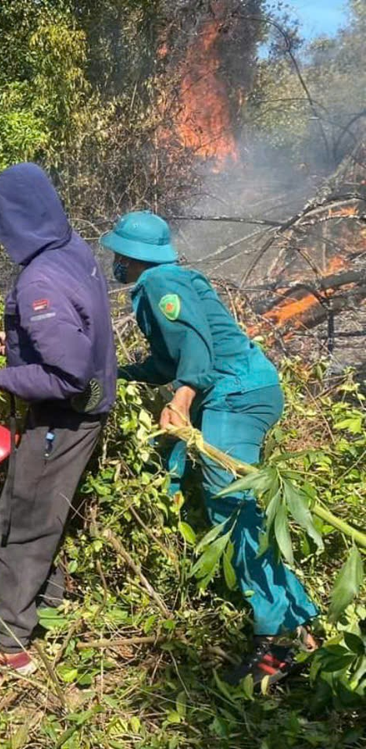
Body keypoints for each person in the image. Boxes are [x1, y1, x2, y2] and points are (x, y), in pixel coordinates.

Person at [101, 210, 318, 686]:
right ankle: (299, 626)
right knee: (239, 507)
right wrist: (111, 373)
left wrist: (182, 398)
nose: (115, 260)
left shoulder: (160, 281)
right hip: (246, 390)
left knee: (233, 510)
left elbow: (196, 345)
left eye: (119, 253)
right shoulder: (162, 284)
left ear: (133, 256)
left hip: (235, 395)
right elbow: (166, 363)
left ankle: (276, 640)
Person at [0, 163, 117, 690]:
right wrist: (24, 343)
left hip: (64, 419)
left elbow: (67, 374)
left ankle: (9, 649)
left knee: (20, 524)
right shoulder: (71, 249)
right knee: (25, 513)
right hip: (85, 412)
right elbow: (75, 332)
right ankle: (45, 602)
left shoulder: (38, 280)